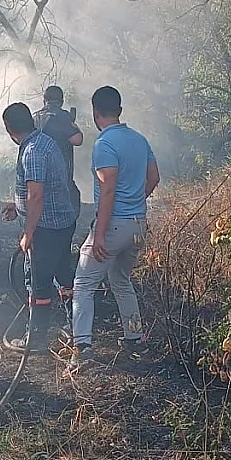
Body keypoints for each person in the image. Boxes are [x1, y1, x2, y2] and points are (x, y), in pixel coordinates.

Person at [69, 85, 159, 374]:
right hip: (138, 226)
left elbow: (107, 189)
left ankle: (82, 349)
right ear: (119, 111)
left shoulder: (104, 145)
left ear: (96, 113)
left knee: (83, 284)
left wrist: (99, 233)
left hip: (114, 226)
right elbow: (154, 178)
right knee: (121, 280)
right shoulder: (139, 139)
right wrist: (135, 202)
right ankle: (135, 339)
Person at [0, 101, 77, 353]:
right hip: (62, 222)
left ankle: (36, 338)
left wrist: (29, 233)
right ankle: (74, 326)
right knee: (64, 275)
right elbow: (41, 188)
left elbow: (37, 195)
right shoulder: (44, 142)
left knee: (38, 282)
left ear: (9, 129)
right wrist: (18, 206)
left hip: (46, 228)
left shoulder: (32, 151)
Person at [34, 85, 84, 220]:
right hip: (61, 177)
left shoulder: (35, 117)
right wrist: (74, 125)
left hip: (37, 175)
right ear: (61, 101)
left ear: (44, 100)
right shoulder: (63, 117)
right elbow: (77, 140)